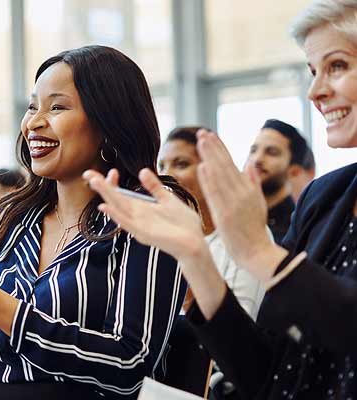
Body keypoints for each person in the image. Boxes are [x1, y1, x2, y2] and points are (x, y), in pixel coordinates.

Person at [0, 46, 195, 399]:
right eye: (33, 106)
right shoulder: (15, 216)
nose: (33, 122)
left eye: (57, 106)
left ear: (109, 120)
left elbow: (129, 370)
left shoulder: (151, 212)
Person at [85, 1, 357, 398]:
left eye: (337, 66)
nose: (315, 91)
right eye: (313, 72)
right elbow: (269, 373)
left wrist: (258, 250)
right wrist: (194, 257)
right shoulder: (324, 197)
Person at [159, 127, 265, 319]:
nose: (167, 176)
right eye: (162, 166)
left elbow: (240, 328)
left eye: (181, 164)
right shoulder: (160, 237)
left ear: (213, 170)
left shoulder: (245, 235)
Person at [246, 119, 310, 243]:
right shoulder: (234, 218)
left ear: (294, 171)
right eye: (253, 150)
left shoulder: (299, 229)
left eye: (272, 152)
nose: (257, 159)